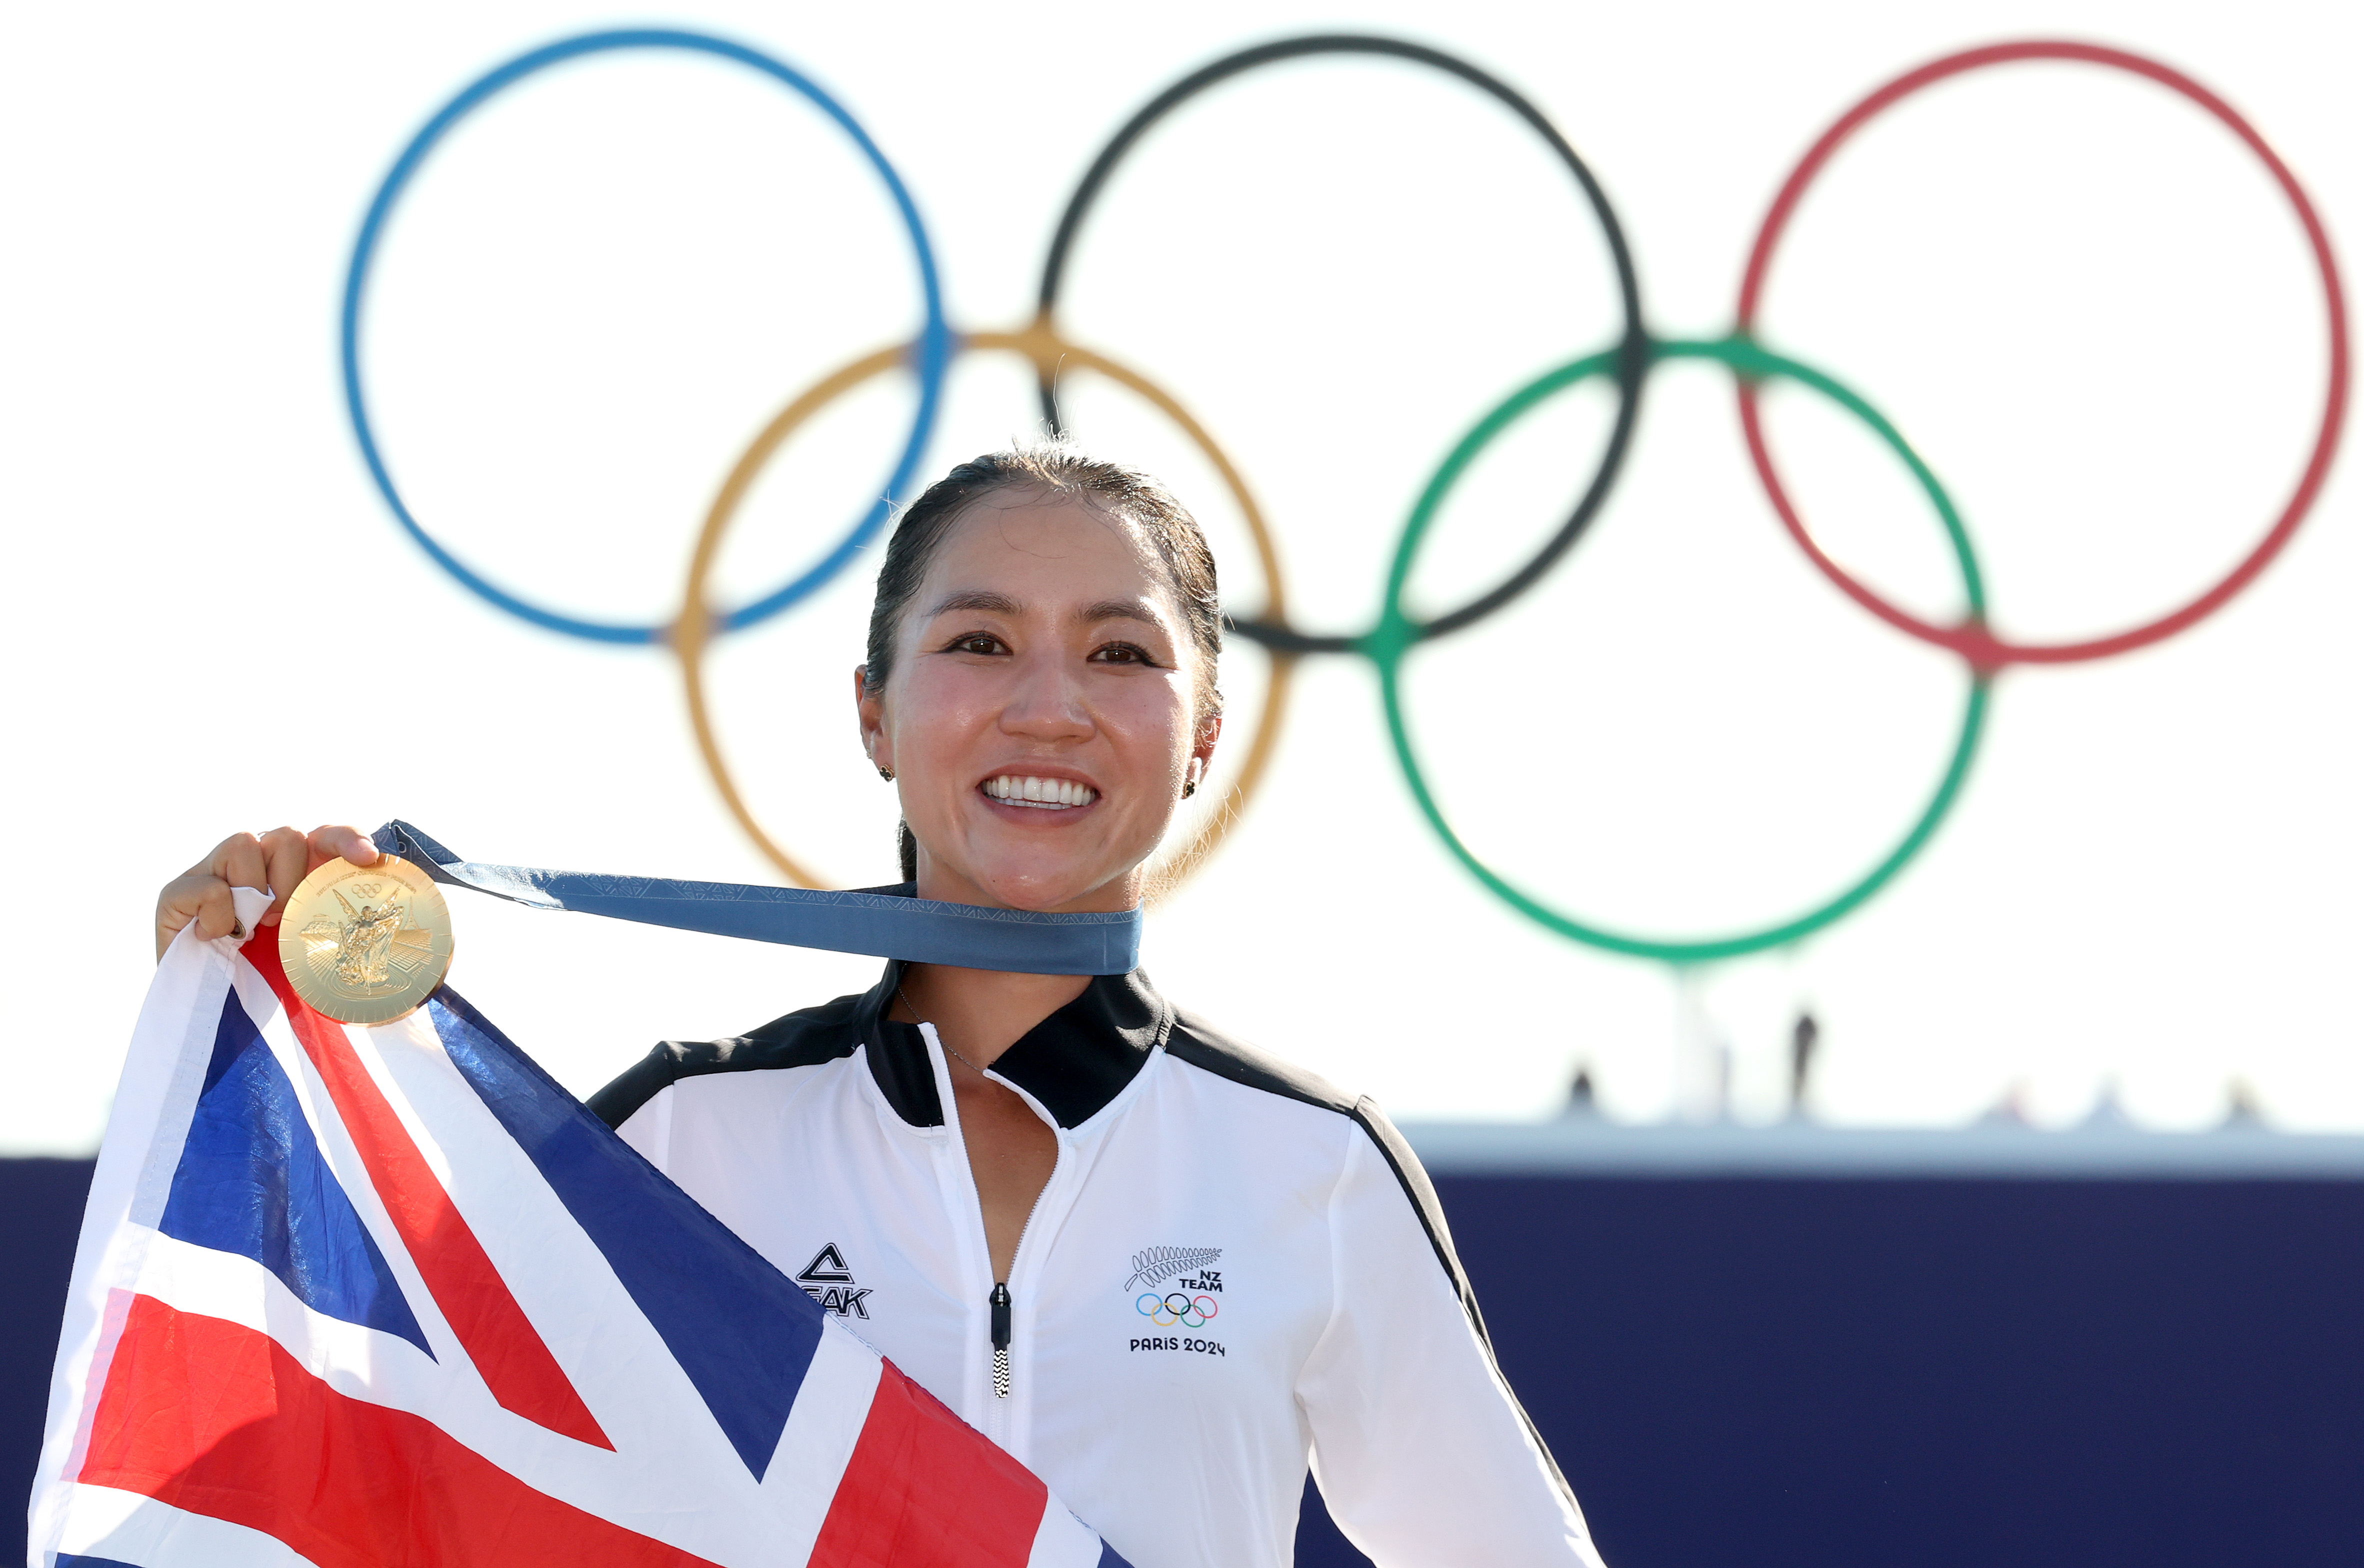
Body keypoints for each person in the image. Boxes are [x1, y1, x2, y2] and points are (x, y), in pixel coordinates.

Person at [156, 443, 1601, 1568]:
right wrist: (259, 1028)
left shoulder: (1314, 1167)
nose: (1050, 704)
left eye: (1121, 651)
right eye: (979, 643)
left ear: (1204, 734)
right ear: (871, 713)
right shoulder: (687, 1136)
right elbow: (360, 1433)